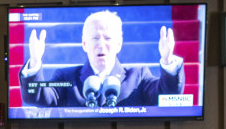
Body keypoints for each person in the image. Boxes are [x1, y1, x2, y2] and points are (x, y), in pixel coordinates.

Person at [19, 10, 184, 108]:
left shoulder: (138, 76)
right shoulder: (66, 77)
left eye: (108, 38)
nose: (101, 45)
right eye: (95, 39)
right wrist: (34, 62)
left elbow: (167, 94)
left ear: (119, 44)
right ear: (84, 44)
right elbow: (37, 97)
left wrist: (168, 61)